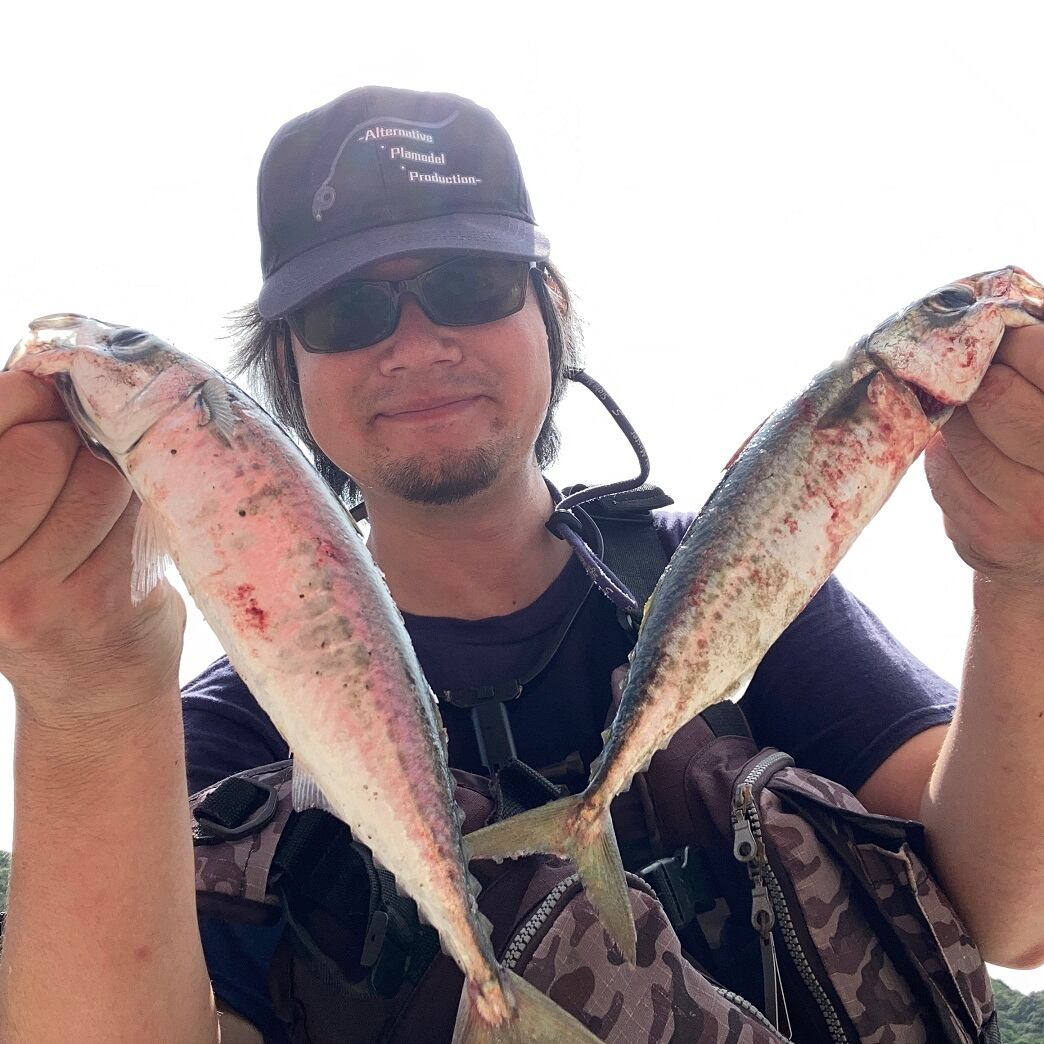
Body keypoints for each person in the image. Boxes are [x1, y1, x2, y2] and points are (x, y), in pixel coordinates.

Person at [1, 84, 1042, 1044]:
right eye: (346, 311)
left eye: (470, 285)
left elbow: (1016, 916)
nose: (417, 346)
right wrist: (87, 702)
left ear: (551, 310)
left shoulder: (732, 585)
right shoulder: (215, 737)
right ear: (286, 366)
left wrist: (1024, 580)